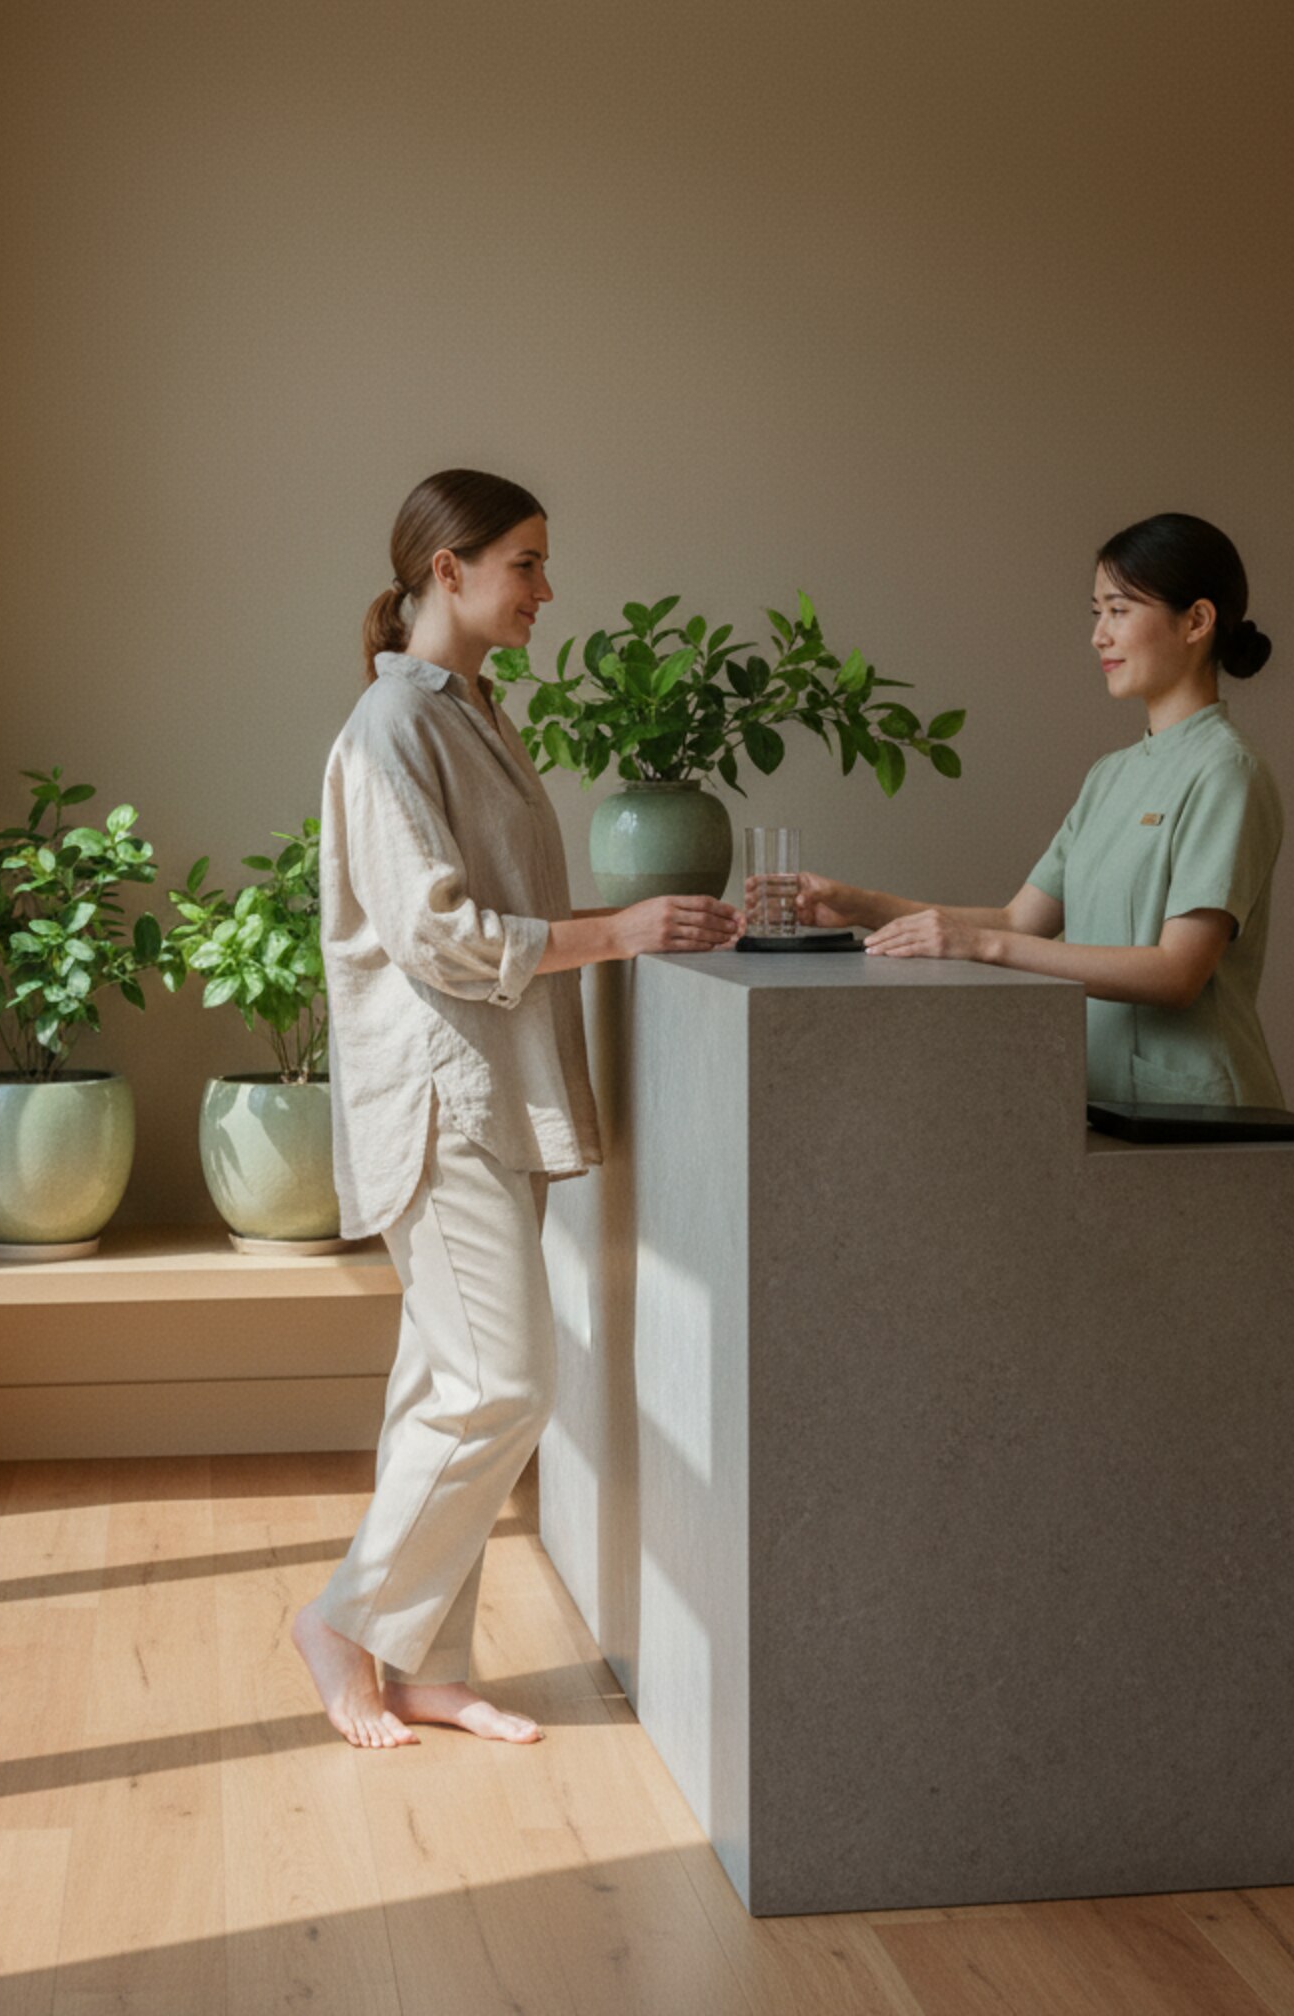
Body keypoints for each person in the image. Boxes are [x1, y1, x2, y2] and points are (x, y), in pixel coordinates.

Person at [293, 469, 741, 1749]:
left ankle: (422, 1661)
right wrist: (618, 929)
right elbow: (435, 936)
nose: (546, 590)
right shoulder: (390, 730)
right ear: (450, 569)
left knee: (441, 1379)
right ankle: (343, 1616)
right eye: (526, 564)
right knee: (503, 1381)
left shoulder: (467, 711)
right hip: (440, 1106)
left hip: (488, 1094)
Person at [791, 511, 1284, 1108]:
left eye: (1119, 610)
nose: (1099, 635)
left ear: (1197, 621)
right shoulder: (1111, 775)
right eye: (1096, 612)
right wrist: (860, 905)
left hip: (1194, 1112)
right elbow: (1020, 921)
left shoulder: (1226, 772)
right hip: (1096, 1097)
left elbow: (1178, 974)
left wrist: (979, 948)